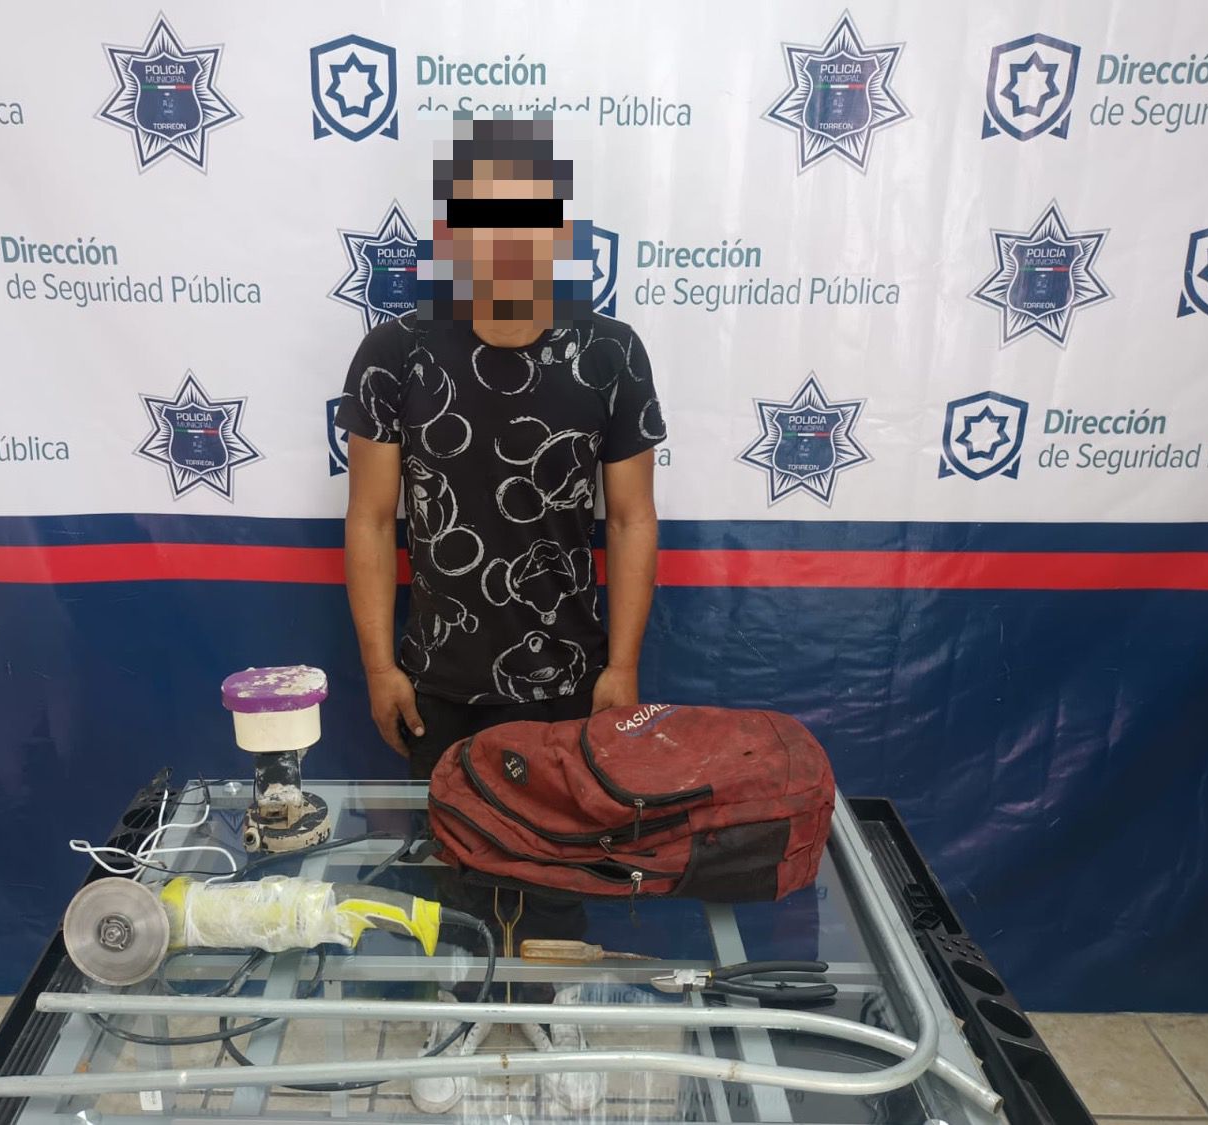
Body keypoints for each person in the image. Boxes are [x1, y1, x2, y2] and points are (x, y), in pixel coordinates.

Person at [336, 115, 666, 1113]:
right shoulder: (394, 355)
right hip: (437, 673)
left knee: (566, 857)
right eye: (485, 222)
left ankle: (552, 1008)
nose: (507, 244)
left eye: (528, 221)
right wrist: (380, 667)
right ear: (451, 237)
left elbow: (631, 517)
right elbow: (371, 519)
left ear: (559, 233)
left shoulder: (610, 353)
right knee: (452, 858)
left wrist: (621, 666)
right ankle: (462, 1007)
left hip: (570, 675)